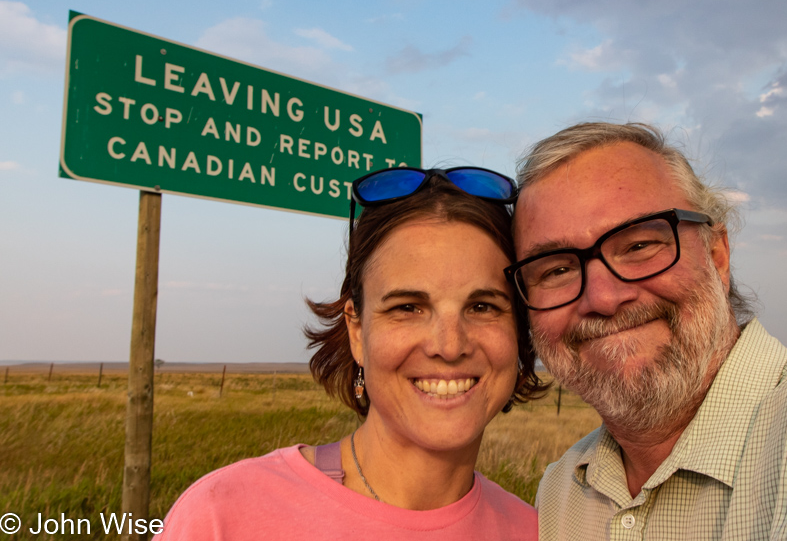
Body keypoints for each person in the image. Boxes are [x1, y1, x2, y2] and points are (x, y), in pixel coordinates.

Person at [508, 122, 787, 540]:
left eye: (640, 245)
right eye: (557, 270)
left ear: (717, 256)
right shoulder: (561, 490)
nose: (602, 299)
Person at [157, 166, 547, 540]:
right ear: (357, 331)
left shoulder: (536, 531)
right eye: (407, 307)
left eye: (482, 307)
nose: (448, 346)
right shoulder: (223, 514)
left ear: (519, 331)